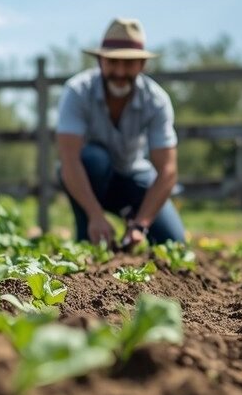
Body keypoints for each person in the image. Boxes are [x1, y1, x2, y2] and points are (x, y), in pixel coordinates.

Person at [57, 18, 186, 249]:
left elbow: (167, 171)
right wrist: (96, 215)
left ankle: (130, 223)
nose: (119, 71)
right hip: (90, 179)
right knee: (93, 160)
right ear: (100, 60)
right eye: (113, 62)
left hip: (133, 177)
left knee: (173, 243)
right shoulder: (77, 92)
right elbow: (69, 160)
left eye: (129, 64)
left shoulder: (156, 101)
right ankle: (87, 234)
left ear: (142, 65)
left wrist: (141, 224)